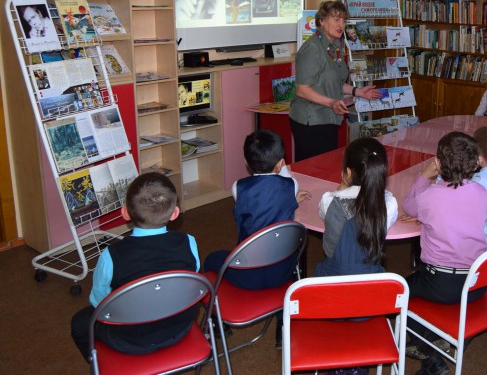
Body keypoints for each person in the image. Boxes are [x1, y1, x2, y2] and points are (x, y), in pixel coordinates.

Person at [70, 173, 200, 361]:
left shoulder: (111, 256)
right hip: (179, 327)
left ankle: (98, 363)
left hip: (129, 339)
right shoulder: (189, 242)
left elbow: (99, 303)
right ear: (175, 213)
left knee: (80, 322)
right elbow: (190, 283)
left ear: (125, 213)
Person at [402, 132, 487, 373]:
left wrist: (423, 177)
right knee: (418, 284)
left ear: (438, 164)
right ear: (475, 163)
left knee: (398, 292)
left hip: (441, 284)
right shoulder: (481, 193)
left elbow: (409, 206)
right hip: (476, 282)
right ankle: (437, 339)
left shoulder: (429, 196)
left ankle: (426, 346)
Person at [203, 130, 308, 290]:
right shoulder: (292, 186)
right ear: (280, 163)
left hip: (248, 274)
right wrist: (292, 197)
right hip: (282, 271)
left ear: (246, 161)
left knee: (211, 259)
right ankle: (282, 311)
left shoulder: (238, 187)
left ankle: (220, 311)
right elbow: (284, 184)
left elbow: (262, 200)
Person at [290, 1, 380, 161]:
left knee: (326, 168)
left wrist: (358, 92)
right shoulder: (312, 49)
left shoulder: (336, 45)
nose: (341, 25)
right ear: (322, 20)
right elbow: (302, 89)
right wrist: (331, 102)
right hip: (310, 121)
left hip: (329, 116)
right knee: (313, 171)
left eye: (344, 21)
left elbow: (335, 82)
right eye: (336, 19)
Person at [315, 138, 398, 276]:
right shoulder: (389, 204)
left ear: (348, 173)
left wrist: (341, 190)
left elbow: (324, 214)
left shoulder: (329, 201)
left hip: (331, 282)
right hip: (370, 284)